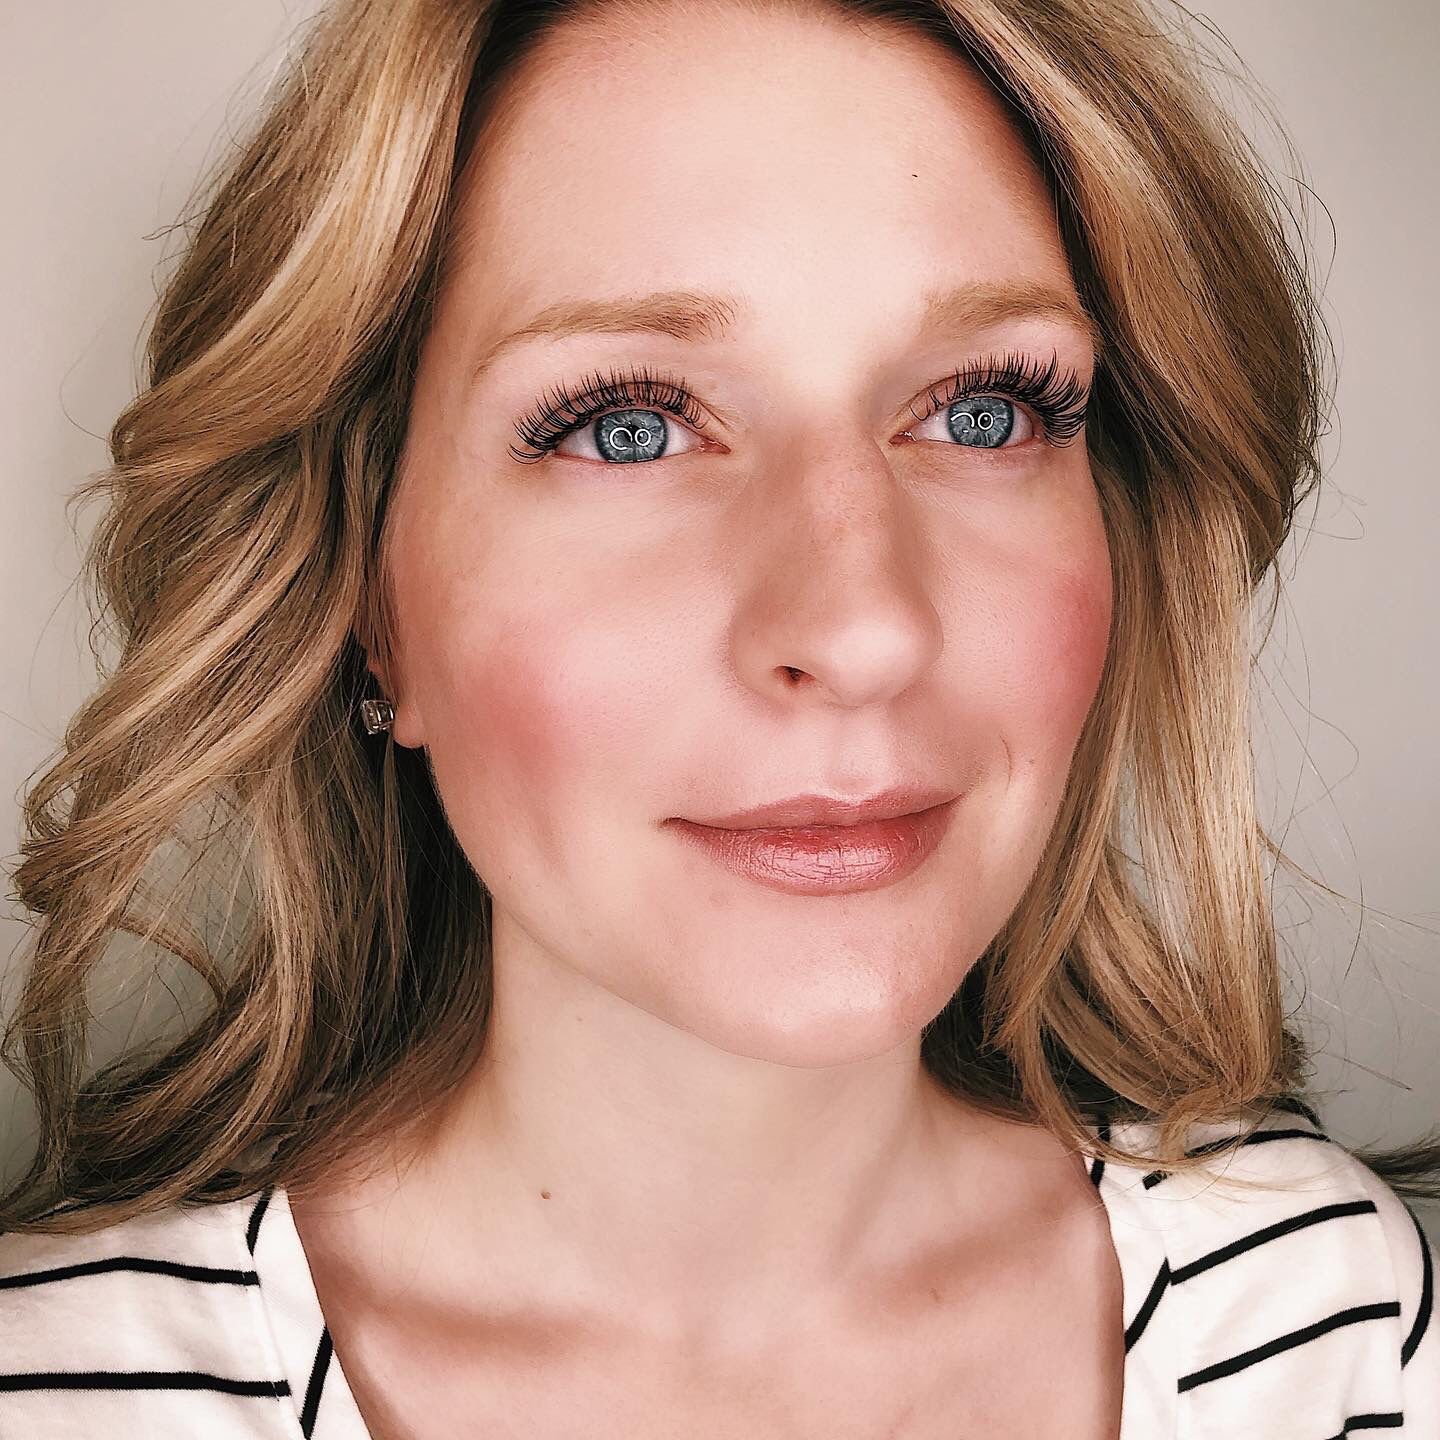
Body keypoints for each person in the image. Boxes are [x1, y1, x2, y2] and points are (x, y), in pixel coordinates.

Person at [0, 0, 1435, 1435]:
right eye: (626, 427)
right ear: (374, 599)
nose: (862, 627)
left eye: (985, 410)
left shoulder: (1323, 1322)